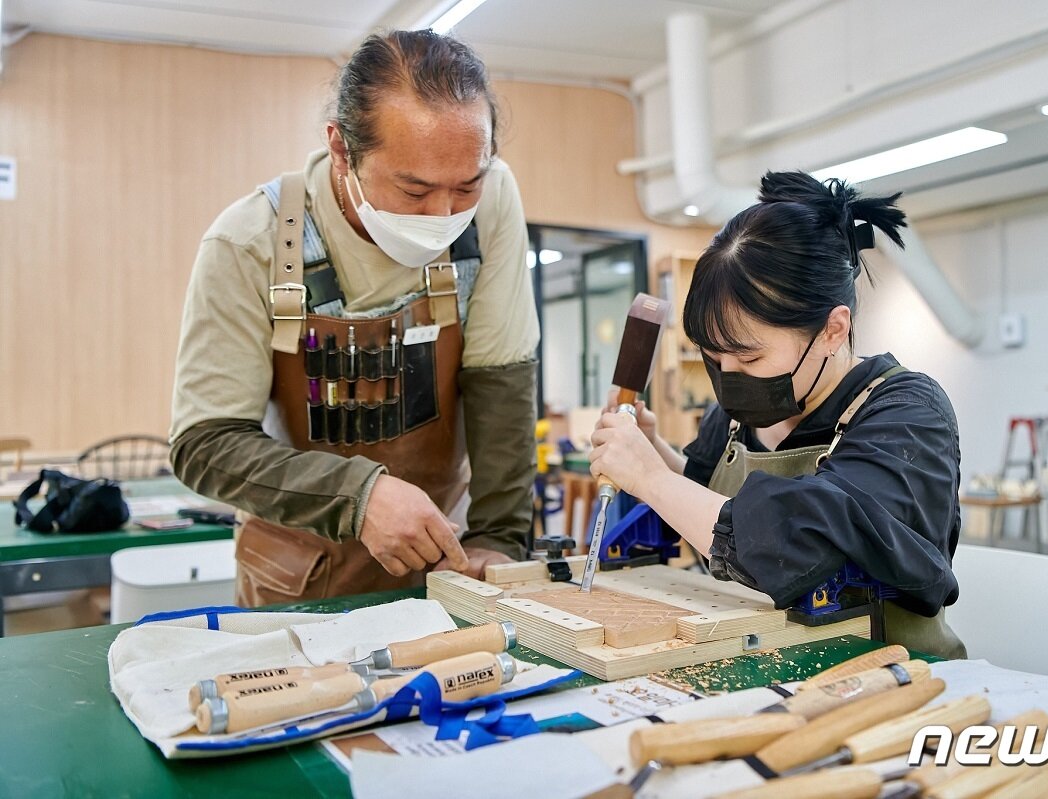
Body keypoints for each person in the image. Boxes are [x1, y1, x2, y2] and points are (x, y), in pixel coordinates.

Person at [169, 30, 539, 605]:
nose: (443, 214)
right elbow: (205, 445)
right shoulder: (249, 243)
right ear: (342, 150)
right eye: (414, 190)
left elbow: (502, 381)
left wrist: (500, 536)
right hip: (298, 581)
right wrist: (359, 496)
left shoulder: (493, 201)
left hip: (442, 568)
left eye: (465, 186)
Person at [590, 170, 966, 658]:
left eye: (748, 359)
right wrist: (653, 456)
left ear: (833, 330)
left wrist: (651, 479)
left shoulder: (908, 415)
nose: (728, 377)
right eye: (713, 357)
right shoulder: (736, 414)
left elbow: (799, 541)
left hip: (890, 679)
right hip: (760, 663)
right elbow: (708, 509)